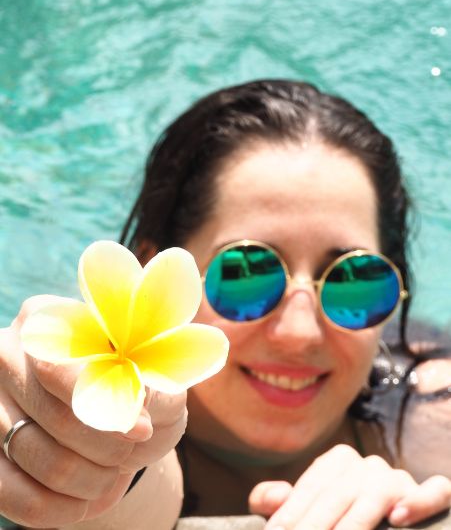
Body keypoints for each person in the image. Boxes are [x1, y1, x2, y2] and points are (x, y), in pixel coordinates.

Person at [1, 79, 451, 530]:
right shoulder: (125, 426)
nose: (300, 333)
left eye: (356, 281)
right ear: (154, 273)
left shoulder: (427, 402)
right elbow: (140, 490)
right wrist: (72, 432)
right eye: (245, 274)